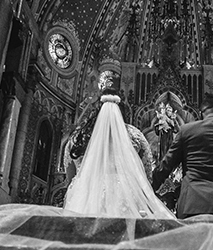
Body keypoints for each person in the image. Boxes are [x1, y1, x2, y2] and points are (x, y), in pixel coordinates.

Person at [63, 70, 174, 219]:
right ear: (123, 110)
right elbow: (146, 176)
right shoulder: (135, 135)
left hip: (84, 199)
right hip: (123, 201)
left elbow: (70, 176)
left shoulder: (78, 137)